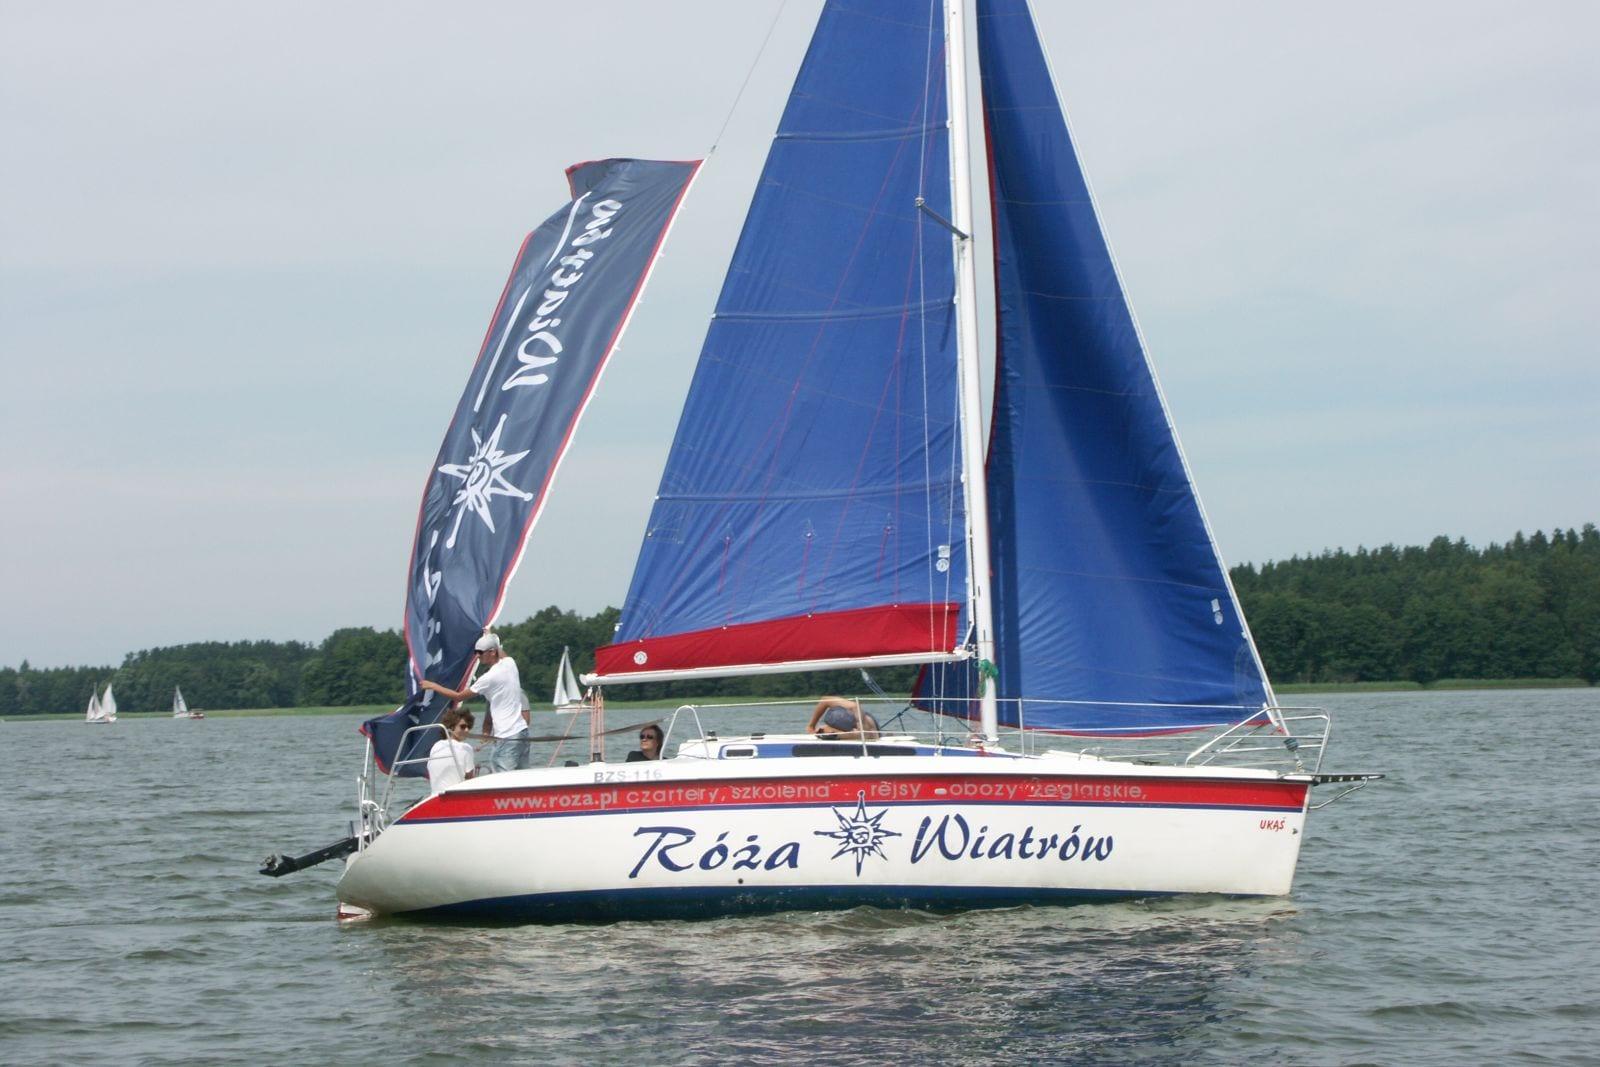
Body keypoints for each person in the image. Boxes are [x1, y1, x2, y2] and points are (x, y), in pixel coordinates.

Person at [419, 632, 530, 774]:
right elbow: (500, 650)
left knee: (503, 776)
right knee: (522, 776)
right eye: (475, 652)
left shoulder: (489, 678)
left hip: (506, 735)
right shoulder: (510, 663)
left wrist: (433, 686)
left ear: (492, 652)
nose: (477, 656)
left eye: (480, 652)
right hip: (522, 733)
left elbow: (458, 697)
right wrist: (489, 635)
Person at [427, 707, 477, 794]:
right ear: (451, 727)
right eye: (463, 726)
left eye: (469, 727)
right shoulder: (466, 747)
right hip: (455, 796)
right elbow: (470, 780)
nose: (467, 730)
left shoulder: (436, 746)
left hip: (435, 796)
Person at [806, 696, 879, 740]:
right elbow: (825, 700)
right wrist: (811, 726)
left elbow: (866, 735)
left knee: (864, 733)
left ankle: (830, 731)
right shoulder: (848, 706)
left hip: (869, 726)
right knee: (823, 730)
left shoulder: (857, 712)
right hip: (851, 723)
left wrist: (836, 735)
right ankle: (828, 730)